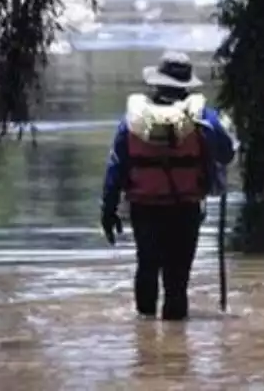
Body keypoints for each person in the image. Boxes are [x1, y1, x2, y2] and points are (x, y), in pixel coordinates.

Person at [100, 51, 238, 321]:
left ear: (156, 83)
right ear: (187, 85)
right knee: (177, 278)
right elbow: (227, 154)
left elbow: (116, 167)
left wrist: (108, 209)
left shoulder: (133, 120)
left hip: (144, 207)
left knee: (147, 266)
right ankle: (177, 341)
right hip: (185, 207)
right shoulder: (203, 118)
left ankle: (144, 333)